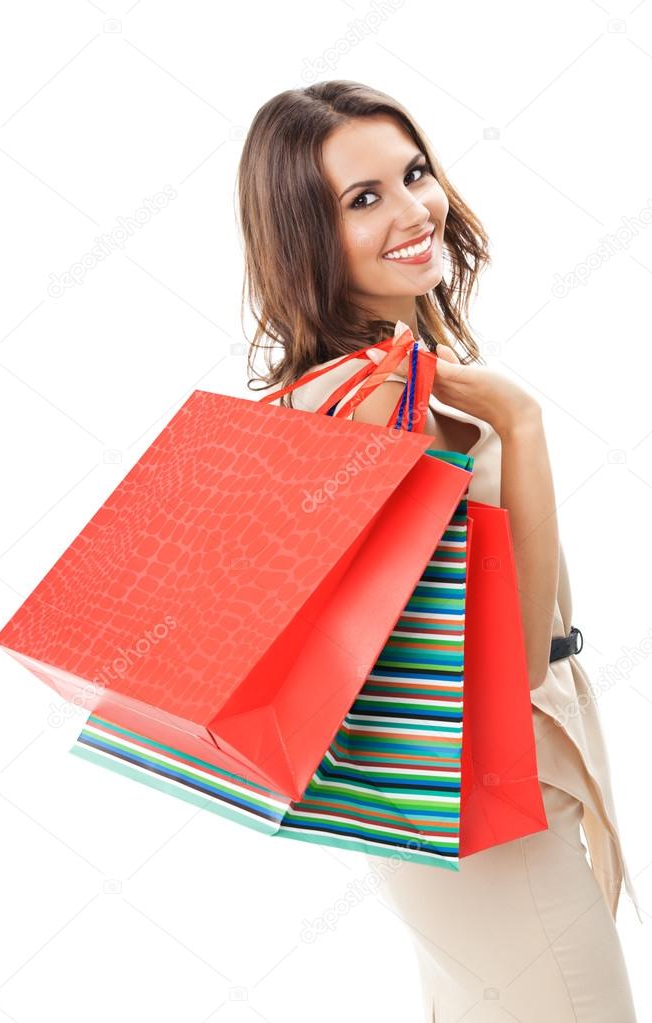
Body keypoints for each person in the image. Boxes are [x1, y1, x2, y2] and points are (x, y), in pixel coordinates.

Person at [239, 79, 641, 1022]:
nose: (416, 209)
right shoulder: (375, 400)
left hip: (444, 810)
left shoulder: (370, 380)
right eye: (363, 198)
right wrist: (520, 420)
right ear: (306, 237)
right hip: (481, 805)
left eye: (414, 172)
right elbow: (504, 653)